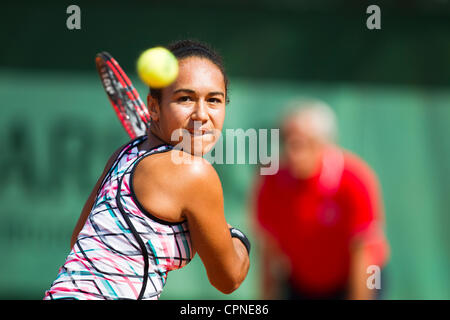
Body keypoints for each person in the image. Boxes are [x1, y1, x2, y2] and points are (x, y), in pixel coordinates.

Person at [44, 40, 250, 300]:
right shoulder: (193, 172)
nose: (201, 114)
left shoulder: (124, 154)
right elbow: (228, 277)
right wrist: (237, 237)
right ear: (153, 107)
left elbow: (80, 240)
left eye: (214, 100)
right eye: (185, 98)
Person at [253, 100, 389, 300]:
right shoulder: (271, 182)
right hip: (303, 283)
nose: (291, 150)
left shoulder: (355, 180)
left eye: (299, 142)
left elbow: (364, 255)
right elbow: (268, 252)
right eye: (286, 141)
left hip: (361, 277)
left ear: (323, 143)